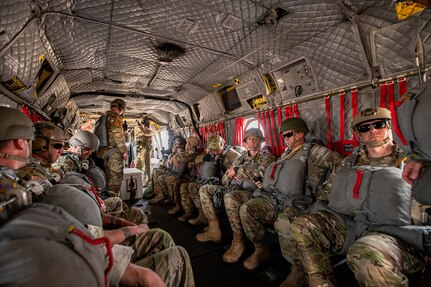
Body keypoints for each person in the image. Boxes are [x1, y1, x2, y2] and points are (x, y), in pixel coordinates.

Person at [21, 122, 195, 287]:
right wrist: (122, 232)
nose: (62, 151)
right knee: (173, 250)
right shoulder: (31, 182)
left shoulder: (41, 174)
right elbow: (67, 238)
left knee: (154, 230)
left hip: (86, 238)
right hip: (85, 251)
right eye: (58, 146)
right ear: (39, 145)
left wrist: (111, 220)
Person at [286, 107, 422, 287]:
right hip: (351, 224)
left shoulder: (412, 162)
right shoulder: (349, 162)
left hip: (394, 234)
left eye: (379, 125)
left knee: (366, 256)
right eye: (365, 128)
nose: (373, 130)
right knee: (303, 226)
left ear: (389, 127)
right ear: (358, 134)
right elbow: (328, 194)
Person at [0, 106, 107, 287]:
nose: (61, 151)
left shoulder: (17, 180)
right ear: (20, 142)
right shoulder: (14, 188)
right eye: (58, 145)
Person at [237, 118, 342, 271]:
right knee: (247, 209)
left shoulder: (316, 151)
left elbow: (341, 165)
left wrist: (325, 193)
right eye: (283, 136)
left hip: (301, 202)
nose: (285, 139)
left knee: (283, 222)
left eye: (288, 135)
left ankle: (297, 268)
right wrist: (265, 183)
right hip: (279, 197)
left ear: (300, 134)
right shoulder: (286, 153)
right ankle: (260, 249)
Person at [196, 129, 276, 260]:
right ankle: (214, 228)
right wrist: (234, 174)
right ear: (245, 142)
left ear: (261, 141)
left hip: (251, 192)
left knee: (230, 197)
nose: (252, 141)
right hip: (234, 186)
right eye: (249, 138)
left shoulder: (267, 157)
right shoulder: (242, 157)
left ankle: (238, 241)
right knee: (205, 189)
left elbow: (259, 173)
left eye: (255, 138)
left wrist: (237, 171)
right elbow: (226, 178)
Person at [52, 130, 147, 225]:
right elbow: (70, 191)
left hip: (89, 196)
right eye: (87, 149)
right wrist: (96, 199)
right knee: (134, 212)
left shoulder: (79, 159)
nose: (90, 153)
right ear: (76, 146)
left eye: (91, 150)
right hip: (83, 205)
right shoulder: (67, 163)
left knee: (113, 195)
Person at [178, 135, 240, 223]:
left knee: (204, 189)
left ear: (223, 145)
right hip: (215, 180)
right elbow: (197, 160)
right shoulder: (212, 152)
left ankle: (213, 222)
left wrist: (231, 170)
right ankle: (202, 214)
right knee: (193, 186)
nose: (215, 152)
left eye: (217, 150)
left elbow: (238, 168)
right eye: (212, 150)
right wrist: (204, 158)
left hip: (227, 183)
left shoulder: (233, 155)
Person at [96, 98, 128, 196]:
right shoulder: (115, 116)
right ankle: (113, 204)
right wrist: (124, 151)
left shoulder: (104, 117)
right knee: (115, 181)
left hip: (105, 154)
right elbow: (118, 135)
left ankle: (107, 202)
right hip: (114, 154)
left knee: (108, 179)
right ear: (120, 107)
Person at [165, 135, 201, 215]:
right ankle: (176, 204)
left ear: (193, 146)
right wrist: (174, 157)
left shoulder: (194, 154)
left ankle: (186, 210)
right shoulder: (186, 152)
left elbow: (184, 158)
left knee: (178, 184)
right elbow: (174, 160)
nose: (187, 145)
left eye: (189, 144)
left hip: (191, 177)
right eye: (187, 143)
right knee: (174, 182)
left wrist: (174, 157)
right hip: (185, 175)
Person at [135, 117, 154, 184]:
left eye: (143, 124)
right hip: (140, 150)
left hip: (146, 151)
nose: (143, 125)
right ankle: (137, 180)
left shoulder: (150, 131)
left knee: (147, 167)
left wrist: (139, 125)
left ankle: (149, 181)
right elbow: (138, 138)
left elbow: (145, 133)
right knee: (137, 166)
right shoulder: (141, 131)